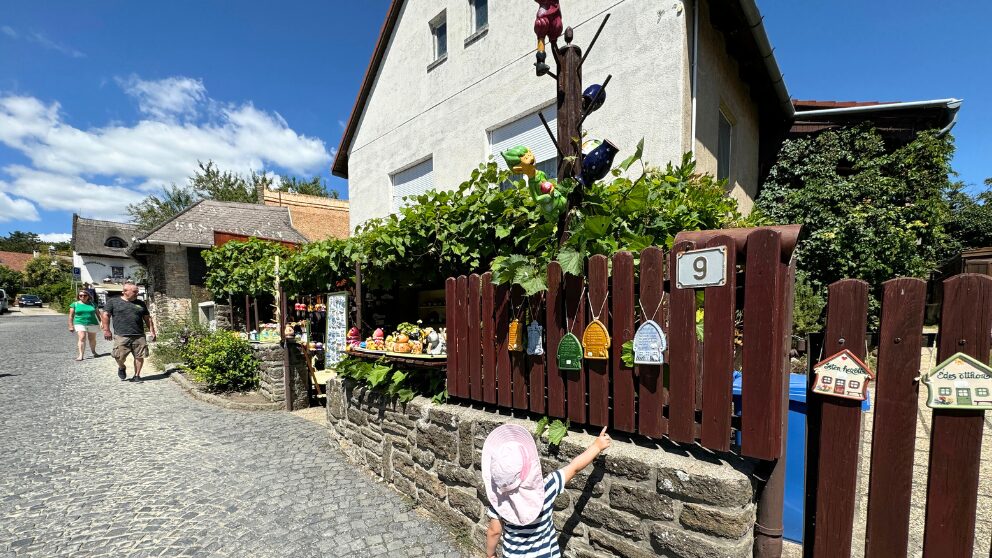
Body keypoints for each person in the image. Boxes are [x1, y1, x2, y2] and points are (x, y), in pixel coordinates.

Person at [482, 424, 612, 558]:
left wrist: (490, 554)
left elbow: (494, 531)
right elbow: (574, 467)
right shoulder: (547, 488)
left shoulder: (499, 500)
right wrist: (597, 446)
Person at [101, 282, 156, 381]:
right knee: (118, 356)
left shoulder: (140, 303)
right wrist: (107, 330)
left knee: (139, 356)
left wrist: (152, 331)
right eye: (135, 291)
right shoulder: (113, 302)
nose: (137, 293)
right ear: (125, 292)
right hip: (121, 335)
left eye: (137, 291)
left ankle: (137, 375)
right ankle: (122, 367)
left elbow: (147, 318)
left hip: (139, 335)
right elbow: (105, 315)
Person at [68, 290, 102, 361]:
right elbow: (71, 316)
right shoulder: (75, 304)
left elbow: (98, 314)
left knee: (92, 339)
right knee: (82, 338)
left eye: (84, 295)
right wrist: (70, 325)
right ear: (78, 296)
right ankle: (81, 355)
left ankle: (93, 351)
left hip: (92, 323)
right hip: (79, 323)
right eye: (81, 295)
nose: (82, 297)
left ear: (88, 296)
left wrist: (102, 322)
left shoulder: (93, 304)